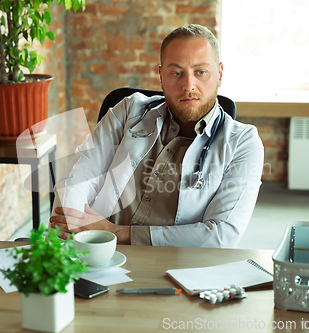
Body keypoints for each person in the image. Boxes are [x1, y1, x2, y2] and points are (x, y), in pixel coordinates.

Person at [49, 24, 264, 248]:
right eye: (176, 73)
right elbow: (80, 175)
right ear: (161, 75)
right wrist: (70, 230)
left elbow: (222, 234)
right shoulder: (128, 111)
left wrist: (117, 233)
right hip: (102, 250)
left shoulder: (243, 142)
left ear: (219, 74)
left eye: (200, 72)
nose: (188, 85)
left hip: (177, 262)